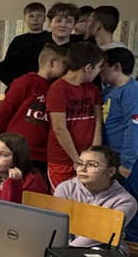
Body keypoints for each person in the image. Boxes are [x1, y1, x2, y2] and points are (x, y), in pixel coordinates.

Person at [99, 46, 138, 237]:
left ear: (117, 66)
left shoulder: (134, 92)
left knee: (127, 204)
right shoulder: (108, 92)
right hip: (110, 156)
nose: (100, 70)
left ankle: (135, 242)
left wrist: (127, 162)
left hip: (127, 158)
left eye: (104, 66)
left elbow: (136, 129)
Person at [0, 45, 66, 175]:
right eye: (64, 63)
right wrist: (7, 138)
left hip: (43, 154)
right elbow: (4, 112)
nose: (66, 68)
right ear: (52, 63)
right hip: (18, 149)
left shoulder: (58, 88)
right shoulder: (24, 82)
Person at [44, 41, 103, 187]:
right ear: (88, 67)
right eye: (98, 67)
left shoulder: (93, 89)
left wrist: (93, 154)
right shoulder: (58, 89)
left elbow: (98, 121)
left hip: (87, 157)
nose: (99, 72)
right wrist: (77, 160)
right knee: (62, 199)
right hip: (62, 160)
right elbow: (59, 128)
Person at [0, 1, 75, 85]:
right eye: (58, 21)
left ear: (74, 24)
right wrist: (22, 87)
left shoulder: (79, 50)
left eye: (68, 21)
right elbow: (3, 69)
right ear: (50, 22)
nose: (63, 25)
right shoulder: (30, 47)